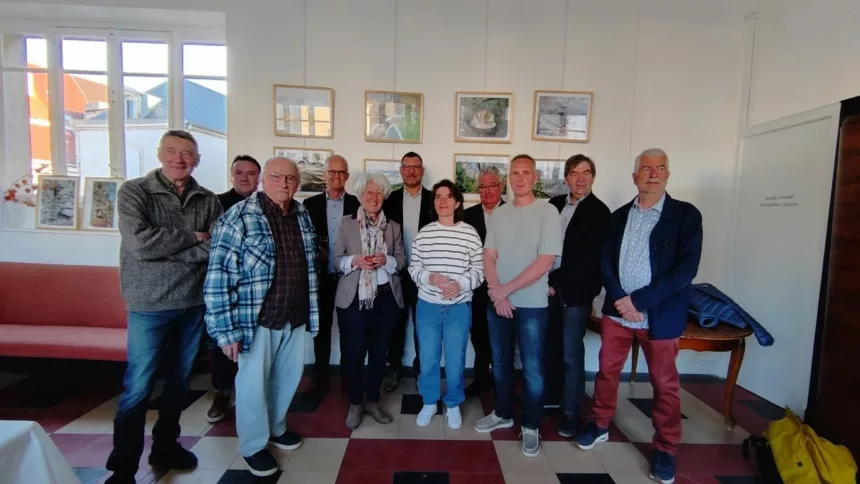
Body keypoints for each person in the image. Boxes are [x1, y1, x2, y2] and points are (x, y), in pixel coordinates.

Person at [574, 148, 703, 484]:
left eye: (660, 168)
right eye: (646, 168)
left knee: (664, 383)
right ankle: (599, 423)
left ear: (668, 174)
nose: (653, 174)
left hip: (659, 314)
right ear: (635, 176)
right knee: (606, 371)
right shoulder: (618, 216)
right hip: (618, 313)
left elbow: (685, 270)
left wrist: (640, 301)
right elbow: (605, 262)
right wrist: (620, 298)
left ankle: (665, 447)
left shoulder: (686, 216)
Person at [106, 130, 222, 484]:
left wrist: (169, 252)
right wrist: (191, 237)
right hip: (149, 304)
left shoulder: (207, 200)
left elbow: (217, 246)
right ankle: (123, 467)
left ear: (197, 159)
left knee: (178, 383)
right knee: (138, 386)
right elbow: (140, 244)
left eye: (187, 153)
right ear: (159, 154)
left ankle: (166, 447)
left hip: (192, 303)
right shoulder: (135, 191)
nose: (179, 159)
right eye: (172, 151)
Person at [204, 156, 320, 478]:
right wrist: (226, 331)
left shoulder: (302, 214)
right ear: (263, 180)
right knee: (252, 385)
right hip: (256, 320)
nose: (284, 183)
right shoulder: (238, 217)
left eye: (290, 178)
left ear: (297, 183)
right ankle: (253, 446)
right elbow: (218, 278)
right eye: (276, 177)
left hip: (295, 314)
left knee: (286, 379)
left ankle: (276, 427)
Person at [474, 154, 562, 458]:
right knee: (499, 363)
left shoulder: (548, 211)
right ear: (508, 178)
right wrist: (495, 292)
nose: (520, 178)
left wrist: (504, 292)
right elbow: (488, 256)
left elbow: (545, 261)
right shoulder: (500, 214)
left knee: (533, 368)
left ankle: (531, 424)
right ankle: (502, 412)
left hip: (531, 304)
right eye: (515, 173)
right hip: (498, 302)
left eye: (526, 173)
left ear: (535, 178)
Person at [409, 180, 484, 429]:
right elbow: (413, 267)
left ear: (457, 202)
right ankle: (430, 401)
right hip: (428, 306)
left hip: (458, 307)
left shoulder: (469, 233)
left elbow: (479, 270)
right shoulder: (425, 233)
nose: (443, 201)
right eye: (438, 196)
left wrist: (460, 284)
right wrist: (429, 277)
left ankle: (452, 403)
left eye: (448, 196)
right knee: (428, 359)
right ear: (434, 203)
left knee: (455, 360)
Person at [545, 154, 610, 437]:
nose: (580, 178)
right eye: (574, 173)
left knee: (571, 354)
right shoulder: (554, 205)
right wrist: (543, 280)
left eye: (586, 173)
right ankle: (551, 397)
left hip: (576, 293)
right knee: (549, 347)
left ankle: (571, 412)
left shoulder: (600, 212)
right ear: (566, 178)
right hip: (546, 288)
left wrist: (557, 281)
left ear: (593, 177)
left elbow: (595, 260)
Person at [334, 172, 406, 430]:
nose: (374, 197)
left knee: (378, 353)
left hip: (385, 298)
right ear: (360, 195)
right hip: (354, 298)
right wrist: (355, 261)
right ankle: (356, 403)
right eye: (369, 193)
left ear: (384, 197)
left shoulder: (393, 226)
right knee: (353, 354)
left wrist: (386, 260)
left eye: (379, 193)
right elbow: (335, 261)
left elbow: (402, 261)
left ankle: (373, 401)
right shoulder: (346, 223)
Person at [206, 154, 261, 424]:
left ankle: (251, 396)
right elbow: (207, 242)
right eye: (240, 173)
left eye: (251, 173)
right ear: (232, 175)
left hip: (256, 293)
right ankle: (223, 393)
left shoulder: (266, 205)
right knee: (222, 345)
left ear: (259, 177)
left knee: (254, 347)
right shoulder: (216, 203)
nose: (245, 178)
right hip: (225, 285)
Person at [302, 155, 360, 396]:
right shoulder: (309, 204)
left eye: (341, 172)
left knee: (350, 328)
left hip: (349, 276)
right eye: (332, 172)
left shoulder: (357, 204)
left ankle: (349, 375)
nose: (336, 176)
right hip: (321, 276)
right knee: (321, 328)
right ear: (324, 175)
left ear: (347, 176)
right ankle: (320, 377)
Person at [381, 151, 433, 391]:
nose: (411, 171)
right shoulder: (389, 200)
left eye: (416, 167)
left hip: (425, 275)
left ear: (422, 170)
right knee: (395, 323)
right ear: (400, 170)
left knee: (423, 325)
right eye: (407, 167)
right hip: (396, 273)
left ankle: (422, 369)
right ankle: (394, 368)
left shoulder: (434, 199)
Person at [462, 165, 505, 397]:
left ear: (501, 186)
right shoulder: (467, 216)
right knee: (478, 335)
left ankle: (502, 383)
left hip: (507, 286)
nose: (487, 191)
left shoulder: (514, 212)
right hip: (477, 288)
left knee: (503, 337)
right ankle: (481, 379)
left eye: (492, 185)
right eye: (482, 187)